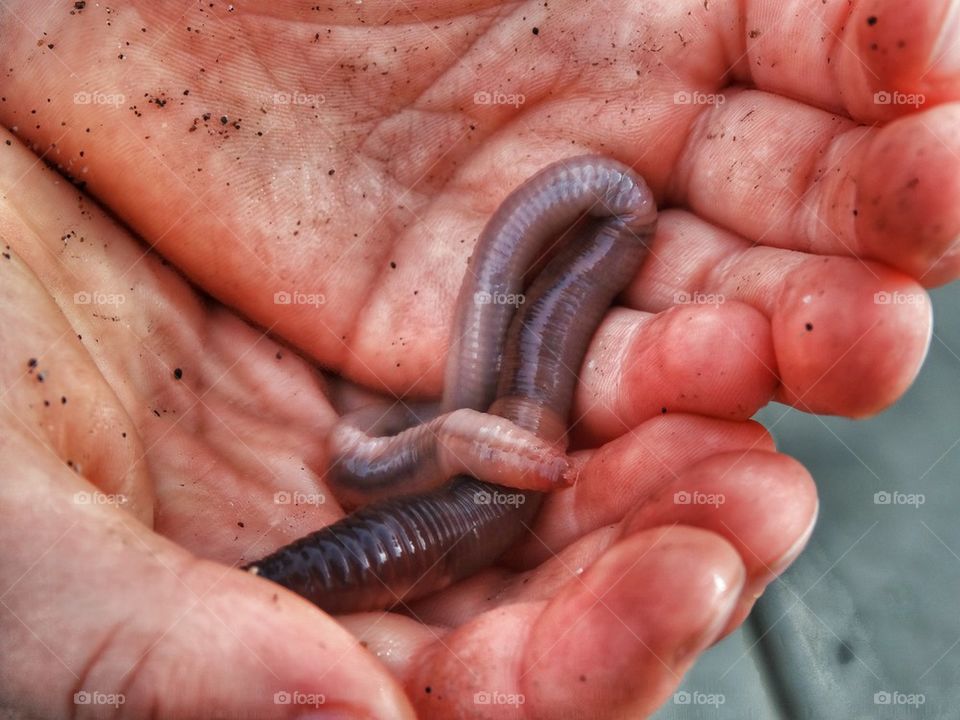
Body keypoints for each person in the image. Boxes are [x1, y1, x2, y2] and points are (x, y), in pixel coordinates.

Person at [0, 1, 954, 717]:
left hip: (458, 437)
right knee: (425, 450)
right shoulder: (443, 439)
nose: (544, 463)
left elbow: (604, 219)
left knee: (575, 283)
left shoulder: (506, 382)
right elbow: (411, 454)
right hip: (436, 457)